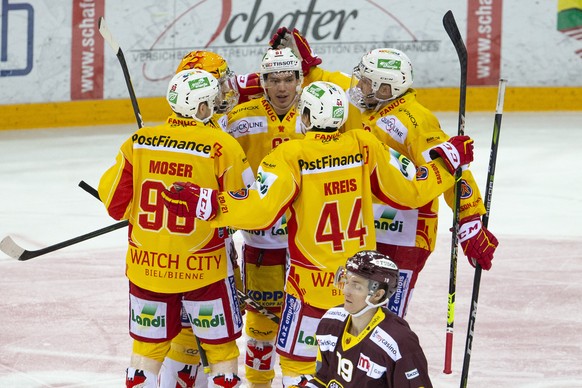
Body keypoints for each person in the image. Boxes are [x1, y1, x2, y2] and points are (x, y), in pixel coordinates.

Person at [161, 81, 474, 387]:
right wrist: (445, 164)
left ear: (306, 116)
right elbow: (409, 191)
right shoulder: (364, 146)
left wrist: (209, 203)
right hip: (359, 283)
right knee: (354, 364)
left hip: (312, 284)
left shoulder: (291, 155)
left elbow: (259, 210)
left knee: (298, 365)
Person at [271, 32, 498, 318]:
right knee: (354, 315)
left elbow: (451, 167)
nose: (358, 85)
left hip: (406, 234)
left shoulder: (416, 121)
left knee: (382, 318)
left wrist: (470, 218)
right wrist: (307, 68)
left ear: (385, 89)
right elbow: (330, 83)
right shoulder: (365, 103)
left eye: (366, 81)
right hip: (370, 230)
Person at [98, 69, 254, 387]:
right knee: (221, 352)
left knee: (146, 354)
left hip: (148, 269)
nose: (216, 105)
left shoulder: (138, 143)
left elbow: (115, 204)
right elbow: (246, 210)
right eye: (210, 102)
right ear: (199, 108)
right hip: (205, 270)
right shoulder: (222, 146)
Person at [224, 47, 305, 388]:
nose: (282, 87)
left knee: (309, 321)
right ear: (264, 81)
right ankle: (258, 384)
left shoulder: (317, 113)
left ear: (300, 80)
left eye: (289, 79)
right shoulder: (240, 118)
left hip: (308, 241)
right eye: (274, 80)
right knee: (261, 323)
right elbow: (220, 164)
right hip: (263, 239)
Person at [307, 250, 433, 388]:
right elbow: (321, 379)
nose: (346, 291)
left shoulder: (398, 342)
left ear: (377, 294)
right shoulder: (331, 321)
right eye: (346, 281)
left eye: (356, 285)